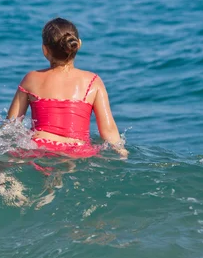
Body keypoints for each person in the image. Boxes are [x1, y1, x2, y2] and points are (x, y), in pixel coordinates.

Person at [7, 17, 128, 158]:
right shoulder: (93, 81)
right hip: (78, 150)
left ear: (44, 50)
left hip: (39, 147)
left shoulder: (31, 78)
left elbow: (10, 127)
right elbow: (108, 131)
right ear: (78, 44)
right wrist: (122, 152)